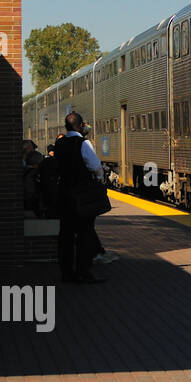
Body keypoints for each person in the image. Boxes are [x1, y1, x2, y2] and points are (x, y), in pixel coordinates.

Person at [54, 112, 106, 283]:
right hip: (83, 196)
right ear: (80, 125)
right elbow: (95, 167)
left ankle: (66, 273)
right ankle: (83, 271)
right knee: (85, 234)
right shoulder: (83, 143)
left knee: (66, 236)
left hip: (64, 195)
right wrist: (98, 180)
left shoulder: (59, 143)